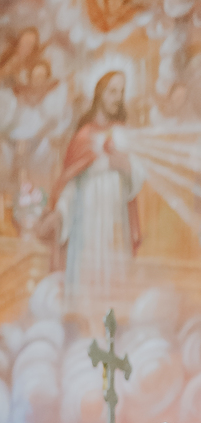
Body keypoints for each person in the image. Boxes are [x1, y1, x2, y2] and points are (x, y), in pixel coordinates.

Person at [51, 70, 143, 311]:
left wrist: (126, 167)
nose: (117, 97)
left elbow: (136, 177)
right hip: (88, 219)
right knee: (88, 271)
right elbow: (69, 181)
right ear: (100, 93)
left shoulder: (123, 133)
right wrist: (60, 211)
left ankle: (115, 321)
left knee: (115, 265)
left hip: (115, 218)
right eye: (113, 91)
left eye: (121, 92)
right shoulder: (83, 135)